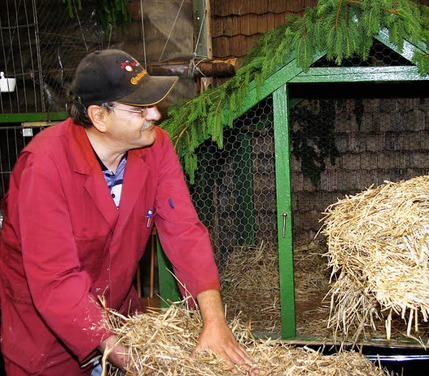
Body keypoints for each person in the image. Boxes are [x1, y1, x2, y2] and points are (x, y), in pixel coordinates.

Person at [0, 49, 258, 375]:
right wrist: (133, 360)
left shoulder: (155, 146)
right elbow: (55, 281)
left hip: (117, 313)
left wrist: (215, 320)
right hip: (46, 333)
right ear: (99, 116)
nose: (156, 115)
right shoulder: (44, 167)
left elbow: (184, 231)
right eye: (139, 109)